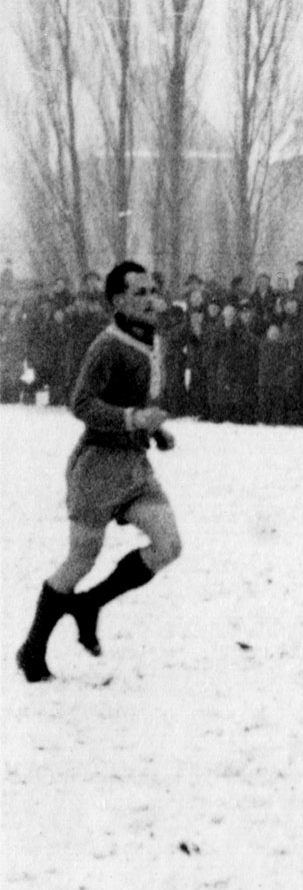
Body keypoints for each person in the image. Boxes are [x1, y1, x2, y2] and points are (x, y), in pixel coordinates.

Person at [17, 262, 182, 683]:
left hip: (134, 467)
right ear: (118, 302)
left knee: (168, 545)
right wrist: (133, 419)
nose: (150, 298)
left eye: (151, 290)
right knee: (80, 559)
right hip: (96, 469)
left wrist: (155, 430)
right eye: (140, 292)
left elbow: (136, 402)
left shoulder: (148, 339)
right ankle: (32, 650)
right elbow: (81, 404)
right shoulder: (107, 346)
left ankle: (90, 604)